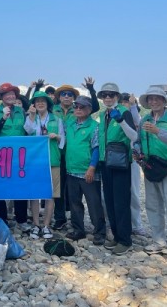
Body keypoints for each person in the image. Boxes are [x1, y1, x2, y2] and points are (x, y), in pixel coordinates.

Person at [137, 86, 167, 265]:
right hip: (151, 169)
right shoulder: (145, 119)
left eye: (157, 98)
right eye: (150, 99)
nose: (153, 101)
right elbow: (138, 142)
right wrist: (137, 153)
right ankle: (158, 242)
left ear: (164, 101)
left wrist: (158, 132)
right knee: (152, 206)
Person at [51, 78, 100, 231]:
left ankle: (96, 227)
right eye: (64, 94)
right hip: (59, 156)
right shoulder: (53, 110)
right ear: (59, 97)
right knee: (60, 191)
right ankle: (61, 219)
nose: (67, 96)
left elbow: (94, 107)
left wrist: (91, 89)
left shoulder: (83, 118)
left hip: (80, 161)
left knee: (89, 198)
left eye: (70, 94)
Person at [98, 82, 138, 256]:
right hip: (105, 162)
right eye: (105, 95)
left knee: (121, 202)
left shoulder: (124, 112)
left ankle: (125, 240)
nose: (108, 98)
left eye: (111, 95)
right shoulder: (102, 114)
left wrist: (121, 121)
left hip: (121, 162)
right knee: (110, 201)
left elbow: (134, 136)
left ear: (117, 97)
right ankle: (115, 234)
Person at [64, 96, 106, 246]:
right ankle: (78, 229)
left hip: (87, 171)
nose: (78, 109)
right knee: (75, 203)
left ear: (89, 109)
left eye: (82, 107)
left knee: (94, 203)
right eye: (76, 107)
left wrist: (92, 167)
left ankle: (100, 232)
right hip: (71, 170)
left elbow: (96, 148)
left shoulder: (94, 126)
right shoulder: (69, 124)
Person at [24, 91, 65, 240]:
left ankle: (46, 224)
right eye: (37, 101)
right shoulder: (30, 118)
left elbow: (63, 139)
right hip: (35, 161)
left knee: (50, 194)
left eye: (43, 101)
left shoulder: (56, 119)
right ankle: (36, 224)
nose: (40, 103)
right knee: (34, 193)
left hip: (52, 159)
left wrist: (57, 136)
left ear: (48, 104)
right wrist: (32, 116)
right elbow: (27, 131)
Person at [0, 82, 28, 229]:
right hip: (0, 155)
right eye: (7, 94)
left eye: (13, 94)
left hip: (19, 156)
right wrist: (3, 118)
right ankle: (1, 219)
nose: (10, 96)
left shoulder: (21, 111)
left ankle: (21, 220)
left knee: (20, 187)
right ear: (2, 97)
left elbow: (27, 130)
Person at [120, 92, 147, 236]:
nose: (125, 105)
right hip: (115, 160)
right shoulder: (113, 118)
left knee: (134, 192)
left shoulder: (137, 120)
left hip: (133, 160)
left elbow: (135, 119)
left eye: (128, 103)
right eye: (123, 102)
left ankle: (136, 223)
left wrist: (133, 106)